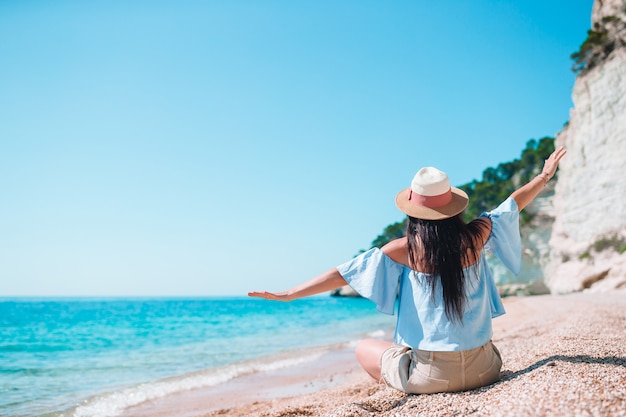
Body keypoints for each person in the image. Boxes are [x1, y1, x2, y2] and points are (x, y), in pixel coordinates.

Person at [248, 146, 567, 394]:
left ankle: (406, 383)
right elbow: (513, 203)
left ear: (414, 212)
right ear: (453, 208)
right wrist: (543, 177)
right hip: (487, 367)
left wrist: (290, 294)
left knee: (364, 348)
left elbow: (343, 274)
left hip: (430, 378)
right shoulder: (477, 234)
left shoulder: (403, 249)